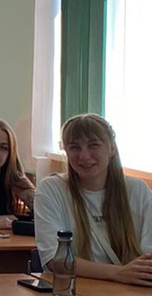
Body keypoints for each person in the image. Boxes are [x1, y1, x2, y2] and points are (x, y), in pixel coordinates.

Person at [34, 114, 152, 286]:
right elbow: (55, 258)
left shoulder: (138, 190)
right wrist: (118, 273)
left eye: (93, 145)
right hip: (74, 293)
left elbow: (148, 255)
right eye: (74, 147)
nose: (84, 156)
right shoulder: (51, 189)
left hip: (130, 293)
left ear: (112, 148)